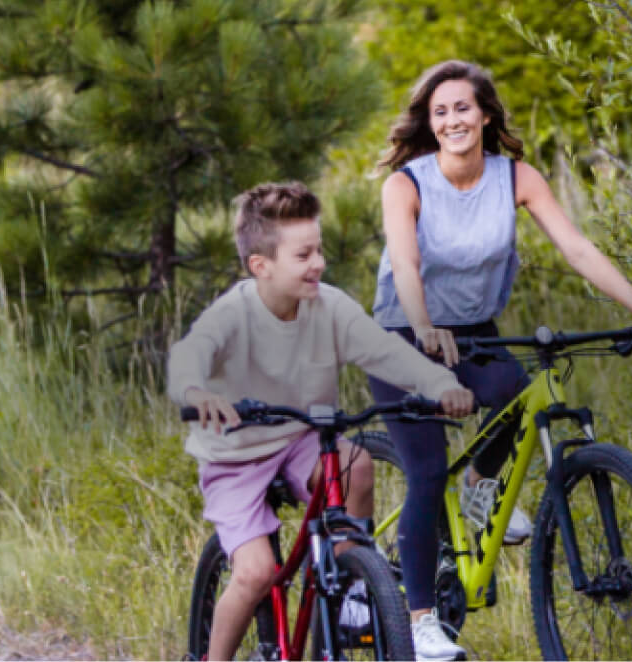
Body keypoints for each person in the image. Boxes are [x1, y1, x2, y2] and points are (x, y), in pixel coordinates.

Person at [369, 60, 632, 660]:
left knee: (518, 392)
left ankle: (482, 488)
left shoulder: (516, 177)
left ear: (485, 114)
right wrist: (426, 327)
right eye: (440, 112)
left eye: (462, 107)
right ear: (430, 126)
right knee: (428, 472)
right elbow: (406, 266)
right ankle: (422, 620)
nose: (453, 119)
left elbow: (578, 249)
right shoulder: (407, 183)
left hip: (474, 328)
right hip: (405, 332)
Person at [169, 182, 475, 661]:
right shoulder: (234, 312)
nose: (318, 262)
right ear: (261, 266)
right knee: (256, 572)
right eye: (303, 254)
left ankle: (351, 587)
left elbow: (386, 352)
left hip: (299, 440)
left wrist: (439, 385)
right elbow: (190, 354)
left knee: (355, 464)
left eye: (319, 250)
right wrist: (194, 391)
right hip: (236, 456)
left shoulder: (328, 306)